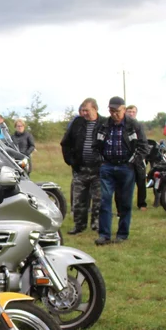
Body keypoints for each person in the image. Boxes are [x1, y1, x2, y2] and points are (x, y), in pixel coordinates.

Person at [93, 97, 148, 245]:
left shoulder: (134, 125)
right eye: (111, 111)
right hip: (107, 167)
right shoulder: (103, 125)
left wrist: (133, 161)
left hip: (126, 167)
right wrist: (101, 160)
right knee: (104, 200)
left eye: (117, 111)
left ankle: (122, 234)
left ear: (124, 109)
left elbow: (143, 147)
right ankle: (104, 235)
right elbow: (95, 145)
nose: (114, 114)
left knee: (125, 202)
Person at [60, 98, 102, 235]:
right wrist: (71, 161)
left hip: (99, 170)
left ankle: (96, 225)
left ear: (95, 109)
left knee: (98, 200)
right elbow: (65, 143)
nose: (84, 113)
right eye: (82, 110)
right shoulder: (77, 123)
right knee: (78, 200)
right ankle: (79, 225)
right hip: (80, 169)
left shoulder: (105, 124)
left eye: (87, 110)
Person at [125, 106, 148, 210]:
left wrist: (140, 156)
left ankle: (142, 204)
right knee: (126, 183)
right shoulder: (123, 125)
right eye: (129, 111)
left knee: (141, 181)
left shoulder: (139, 126)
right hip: (126, 158)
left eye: (133, 112)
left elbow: (143, 142)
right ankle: (125, 204)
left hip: (138, 157)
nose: (131, 114)